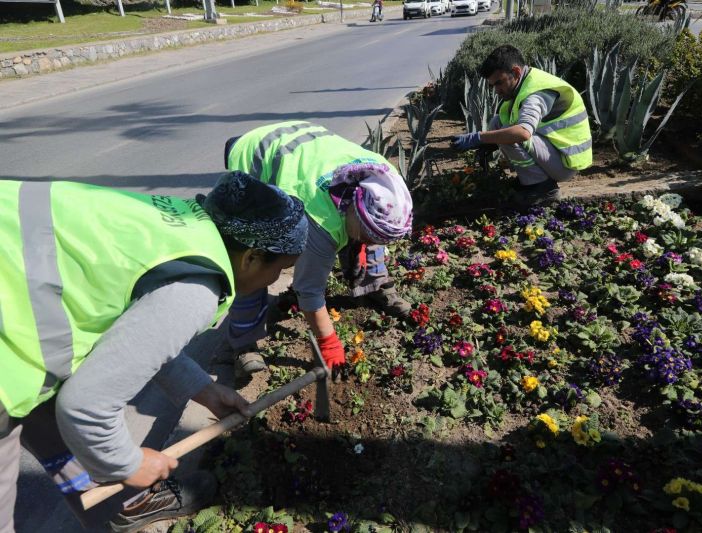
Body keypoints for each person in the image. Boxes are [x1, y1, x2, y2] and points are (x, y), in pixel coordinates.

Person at [0, 172, 308, 533]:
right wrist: (128, 465)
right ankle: (127, 493)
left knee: (52, 417)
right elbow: (85, 406)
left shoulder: (179, 228)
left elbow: (135, 336)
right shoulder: (195, 288)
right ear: (252, 258)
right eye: (280, 269)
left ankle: (123, 505)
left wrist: (202, 389)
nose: (274, 281)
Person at [223, 121, 413, 377]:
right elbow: (309, 291)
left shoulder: (384, 182)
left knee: (368, 239)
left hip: (306, 143)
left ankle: (374, 287)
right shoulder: (319, 220)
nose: (371, 241)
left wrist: (365, 240)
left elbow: (374, 229)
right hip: (259, 155)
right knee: (254, 261)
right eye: (368, 234)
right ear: (353, 207)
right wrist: (329, 344)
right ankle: (243, 344)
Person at [450, 44, 593, 205]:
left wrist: (479, 138)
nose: (496, 90)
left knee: (512, 135)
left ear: (516, 72)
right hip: (556, 152)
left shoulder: (535, 94)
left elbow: (522, 133)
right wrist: (492, 143)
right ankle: (531, 180)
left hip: (566, 163)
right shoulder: (526, 82)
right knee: (497, 122)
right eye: (492, 86)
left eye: (499, 83)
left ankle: (543, 189)